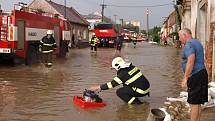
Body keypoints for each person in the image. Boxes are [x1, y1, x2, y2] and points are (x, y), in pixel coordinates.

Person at [178, 28, 208, 121]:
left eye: (180, 36)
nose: (179, 39)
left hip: (195, 75)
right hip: (202, 73)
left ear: (185, 35)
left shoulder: (189, 44)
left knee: (193, 103)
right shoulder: (197, 43)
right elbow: (203, 58)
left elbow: (191, 60)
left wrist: (185, 78)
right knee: (197, 103)